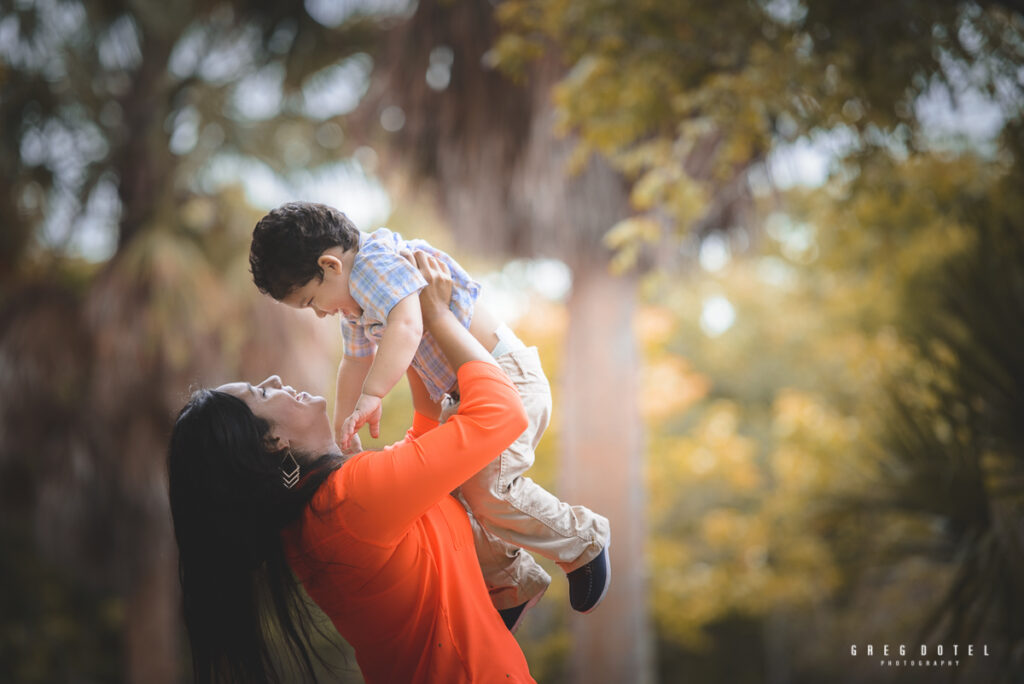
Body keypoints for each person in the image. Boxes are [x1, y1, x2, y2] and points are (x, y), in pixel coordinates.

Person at [168, 253, 537, 683]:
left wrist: (406, 319)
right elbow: (501, 413)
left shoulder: (325, 513)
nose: (273, 381)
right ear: (272, 442)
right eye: (261, 394)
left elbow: (425, 432)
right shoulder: (347, 501)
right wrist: (438, 316)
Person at [248, 202, 611, 626]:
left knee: (489, 489)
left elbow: (408, 326)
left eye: (312, 301)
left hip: (508, 379)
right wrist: (344, 435)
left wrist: (373, 396)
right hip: (461, 394)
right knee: (458, 497)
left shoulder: (376, 265)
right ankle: (510, 585)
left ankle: (583, 541)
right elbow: (354, 362)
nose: (321, 313)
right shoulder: (356, 305)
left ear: (330, 265)